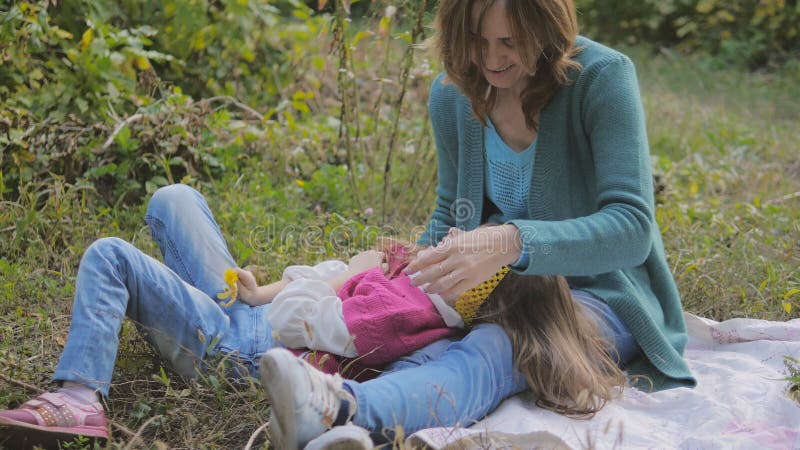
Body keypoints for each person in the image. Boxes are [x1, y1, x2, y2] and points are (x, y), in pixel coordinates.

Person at [257, 0, 697, 448]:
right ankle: (342, 422)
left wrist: (511, 241)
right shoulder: (453, 94)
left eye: (509, 41)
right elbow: (451, 213)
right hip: (494, 287)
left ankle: (342, 410)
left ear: (546, 28)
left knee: (495, 348)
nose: (490, 59)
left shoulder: (601, 79)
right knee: (418, 345)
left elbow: (632, 228)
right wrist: (414, 277)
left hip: (601, 292)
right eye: (475, 40)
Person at [0, 184, 283, 448]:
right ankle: (199, 305)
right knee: (173, 199)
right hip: (253, 308)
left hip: (246, 346)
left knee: (109, 256)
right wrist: (257, 294)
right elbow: (320, 278)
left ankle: (79, 399)